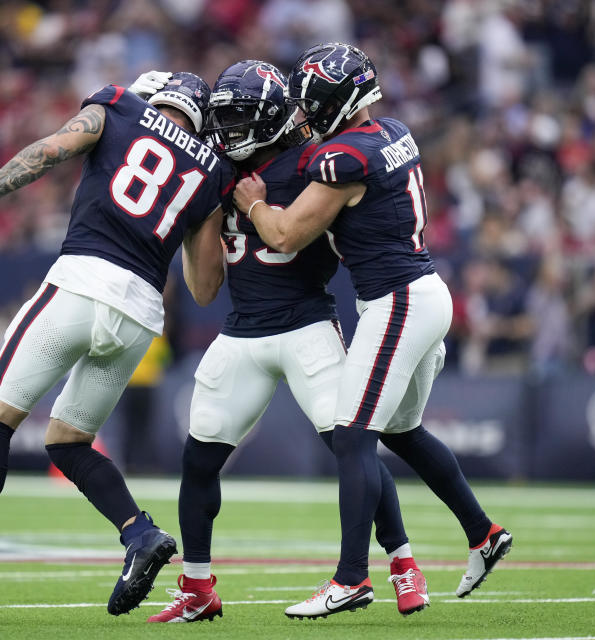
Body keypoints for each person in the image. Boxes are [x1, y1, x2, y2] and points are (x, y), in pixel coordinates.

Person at [0, 71, 229, 615]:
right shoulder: (212, 171)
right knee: (68, 441)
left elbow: (51, 149)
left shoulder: (120, 105)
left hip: (81, 283)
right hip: (139, 313)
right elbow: (203, 290)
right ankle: (140, 535)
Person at [234, 43, 512, 619]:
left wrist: (256, 204)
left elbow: (285, 235)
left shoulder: (343, 161)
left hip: (398, 301)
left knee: (353, 436)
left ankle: (350, 578)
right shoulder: (391, 131)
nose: (307, 115)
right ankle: (483, 533)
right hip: (423, 293)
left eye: (314, 104)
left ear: (337, 102)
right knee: (403, 431)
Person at [147, 60, 429, 623]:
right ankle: (197, 590)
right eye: (222, 120)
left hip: (306, 324)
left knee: (353, 447)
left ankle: (402, 564)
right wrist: (200, 215)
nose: (226, 132)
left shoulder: (315, 164)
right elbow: (204, 290)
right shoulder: (218, 174)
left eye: (239, 119)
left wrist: (249, 203)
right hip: (243, 330)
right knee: (198, 459)